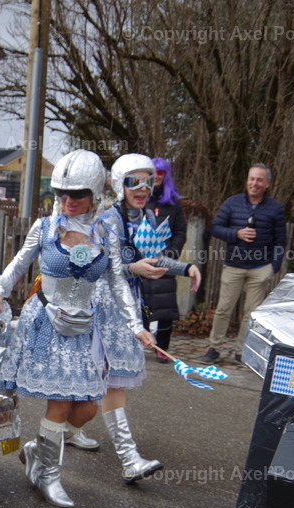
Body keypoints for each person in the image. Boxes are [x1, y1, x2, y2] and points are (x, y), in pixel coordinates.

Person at [0, 149, 154, 508]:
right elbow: (17, 265)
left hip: (83, 328)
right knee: (59, 403)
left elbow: (118, 282)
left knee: (87, 407)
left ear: (94, 194)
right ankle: (48, 475)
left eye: (77, 194)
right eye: (61, 193)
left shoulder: (104, 231)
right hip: (47, 323)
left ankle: (39, 449)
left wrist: (136, 326)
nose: (67, 201)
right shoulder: (45, 227)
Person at [92, 154, 201, 482]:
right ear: (119, 184)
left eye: (147, 181)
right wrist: (132, 270)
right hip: (103, 307)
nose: (142, 188)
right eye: (133, 181)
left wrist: (185, 267)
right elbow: (104, 270)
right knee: (105, 379)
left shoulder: (142, 217)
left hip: (128, 304)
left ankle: (69, 433)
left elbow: (150, 258)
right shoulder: (107, 220)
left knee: (105, 380)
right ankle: (127, 458)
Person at [200, 163, 285, 364]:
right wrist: (236, 233)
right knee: (223, 309)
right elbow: (216, 228)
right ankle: (214, 348)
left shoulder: (275, 208)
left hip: (260, 268)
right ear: (247, 180)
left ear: (267, 184)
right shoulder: (232, 203)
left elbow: (280, 241)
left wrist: (273, 267)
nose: (254, 183)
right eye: (251, 179)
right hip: (234, 265)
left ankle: (242, 351)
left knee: (251, 314)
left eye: (259, 180)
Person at [145, 157, 189, 363]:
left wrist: (172, 253)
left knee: (165, 306)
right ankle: (140, 341)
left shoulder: (173, 204)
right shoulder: (140, 199)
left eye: (160, 173)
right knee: (141, 303)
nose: (157, 177)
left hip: (165, 261)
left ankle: (162, 347)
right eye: (153, 173)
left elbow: (180, 231)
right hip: (142, 260)